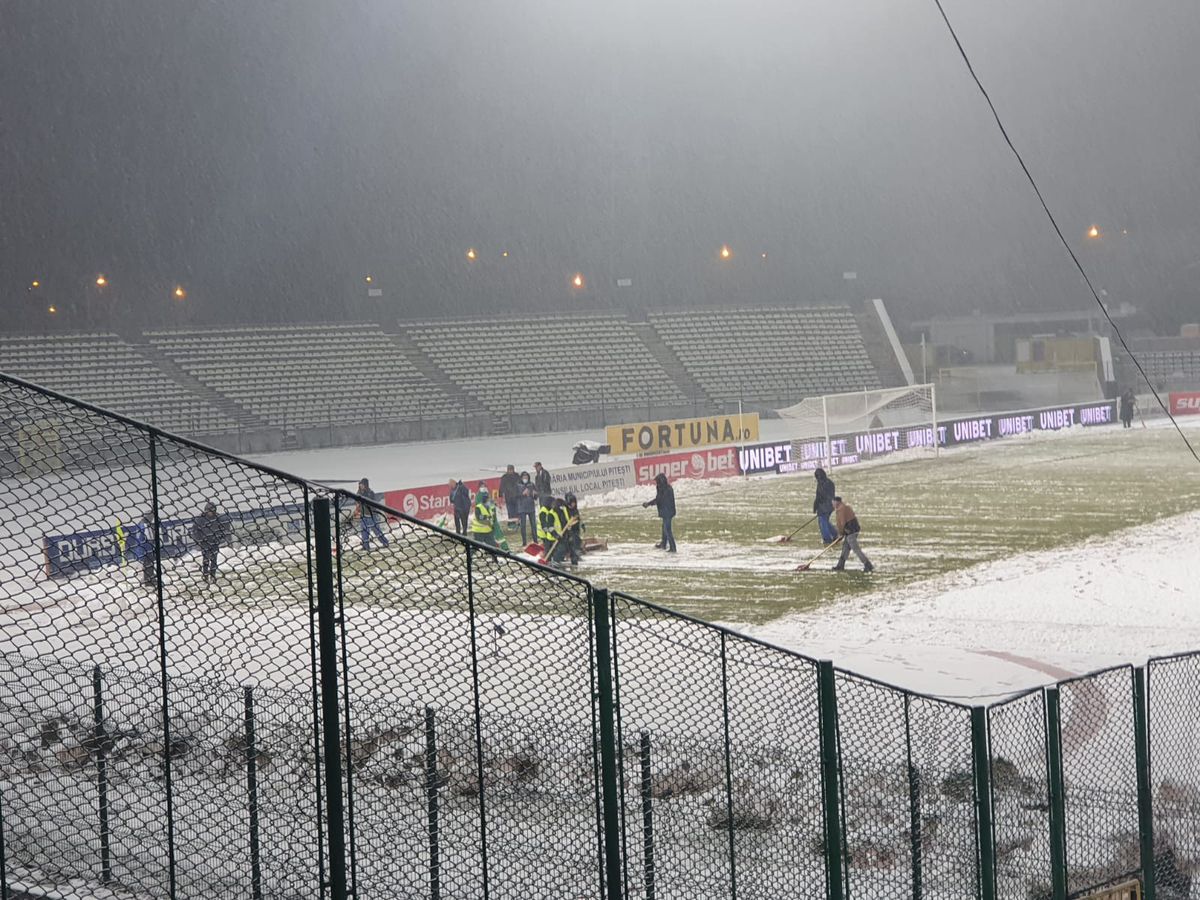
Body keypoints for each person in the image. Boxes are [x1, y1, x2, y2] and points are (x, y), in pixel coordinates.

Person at [831, 496, 873, 573]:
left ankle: (867, 564)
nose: (832, 505)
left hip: (850, 532)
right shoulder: (846, 507)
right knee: (845, 548)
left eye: (833, 503)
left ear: (837, 502)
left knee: (856, 549)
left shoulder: (840, 510)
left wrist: (840, 534)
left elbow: (842, 523)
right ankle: (840, 565)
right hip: (853, 530)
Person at [192, 501, 230, 582]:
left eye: (212, 511)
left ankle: (213, 575)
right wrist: (199, 540)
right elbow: (195, 531)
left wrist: (220, 539)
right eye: (209, 511)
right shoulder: (200, 519)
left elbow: (224, 530)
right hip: (204, 542)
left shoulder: (218, 518)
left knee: (214, 559)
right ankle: (205, 575)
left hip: (214, 542)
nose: (210, 513)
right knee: (205, 559)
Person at [642, 472, 677, 553]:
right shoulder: (664, 488)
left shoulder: (666, 490)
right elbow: (659, 499)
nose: (656, 483)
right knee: (664, 528)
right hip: (667, 512)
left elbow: (658, 500)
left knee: (667, 530)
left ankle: (673, 548)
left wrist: (648, 504)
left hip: (668, 512)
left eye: (657, 482)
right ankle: (663, 544)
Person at [356, 478, 389, 550]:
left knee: (377, 531)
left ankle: (385, 542)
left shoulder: (370, 493)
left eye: (362, 484)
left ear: (365, 485)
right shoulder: (359, 493)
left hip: (372, 515)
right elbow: (358, 502)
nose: (361, 486)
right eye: (360, 484)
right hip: (363, 515)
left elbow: (370, 502)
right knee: (364, 532)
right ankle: (365, 546)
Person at [813, 468, 837, 545]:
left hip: (824, 508)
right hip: (830, 506)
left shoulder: (821, 484)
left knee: (822, 523)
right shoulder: (829, 482)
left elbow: (819, 497)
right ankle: (835, 534)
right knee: (825, 521)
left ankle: (827, 540)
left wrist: (816, 507)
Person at [469, 483, 498, 548]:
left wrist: (492, 526)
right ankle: (469, 555)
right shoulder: (478, 507)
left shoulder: (490, 507)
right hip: (479, 531)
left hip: (487, 531)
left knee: (493, 546)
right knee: (475, 547)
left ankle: (495, 557)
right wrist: (488, 519)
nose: (490, 501)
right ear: (485, 500)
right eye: (488, 500)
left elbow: (492, 518)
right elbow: (480, 518)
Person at [537, 494, 562, 562]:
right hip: (543, 533)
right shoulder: (543, 511)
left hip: (547, 532)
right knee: (548, 546)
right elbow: (544, 524)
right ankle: (546, 557)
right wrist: (549, 533)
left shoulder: (549, 510)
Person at [516, 471, 538, 546]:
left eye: (526, 477)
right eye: (524, 478)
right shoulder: (518, 485)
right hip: (522, 508)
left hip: (531, 507)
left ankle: (535, 540)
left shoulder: (531, 484)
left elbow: (535, 497)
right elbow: (515, 496)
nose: (525, 479)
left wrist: (535, 495)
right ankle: (524, 542)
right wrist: (522, 494)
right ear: (521, 478)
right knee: (523, 526)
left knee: (533, 525)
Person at [562, 492, 583, 566]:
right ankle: (572, 554)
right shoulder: (565, 509)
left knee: (577, 540)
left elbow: (578, 517)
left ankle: (577, 554)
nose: (574, 504)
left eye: (575, 503)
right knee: (571, 542)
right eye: (572, 503)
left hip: (576, 528)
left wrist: (581, 524)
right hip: (569, 529)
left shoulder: (575, 509)